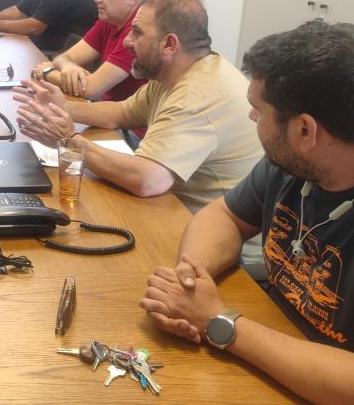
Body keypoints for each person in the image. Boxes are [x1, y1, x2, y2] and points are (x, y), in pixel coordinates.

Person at [138, 21, 354, 403]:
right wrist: (191, 280)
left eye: (258, 109)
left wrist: (220, 322)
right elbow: (225, 216)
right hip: (274, 342)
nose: (252, 117)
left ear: (305, 130)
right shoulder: (291, 165)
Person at [14, 0, 263, 213]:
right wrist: (62, 107)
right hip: (176, 208)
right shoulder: (175, 72)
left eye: (137, 32)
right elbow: (122, 112)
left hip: (202, 228)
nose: (126, 41)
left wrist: (69, 140)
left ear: (169, 44)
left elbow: (147, 180)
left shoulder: (197, 95)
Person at [31, 0, 148, 103]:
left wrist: (47, 72)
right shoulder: (109, 21)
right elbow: (63, 57)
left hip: (123, 116)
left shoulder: (137, 33)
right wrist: (68, 66)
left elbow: (91, 89)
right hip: (104, 108)